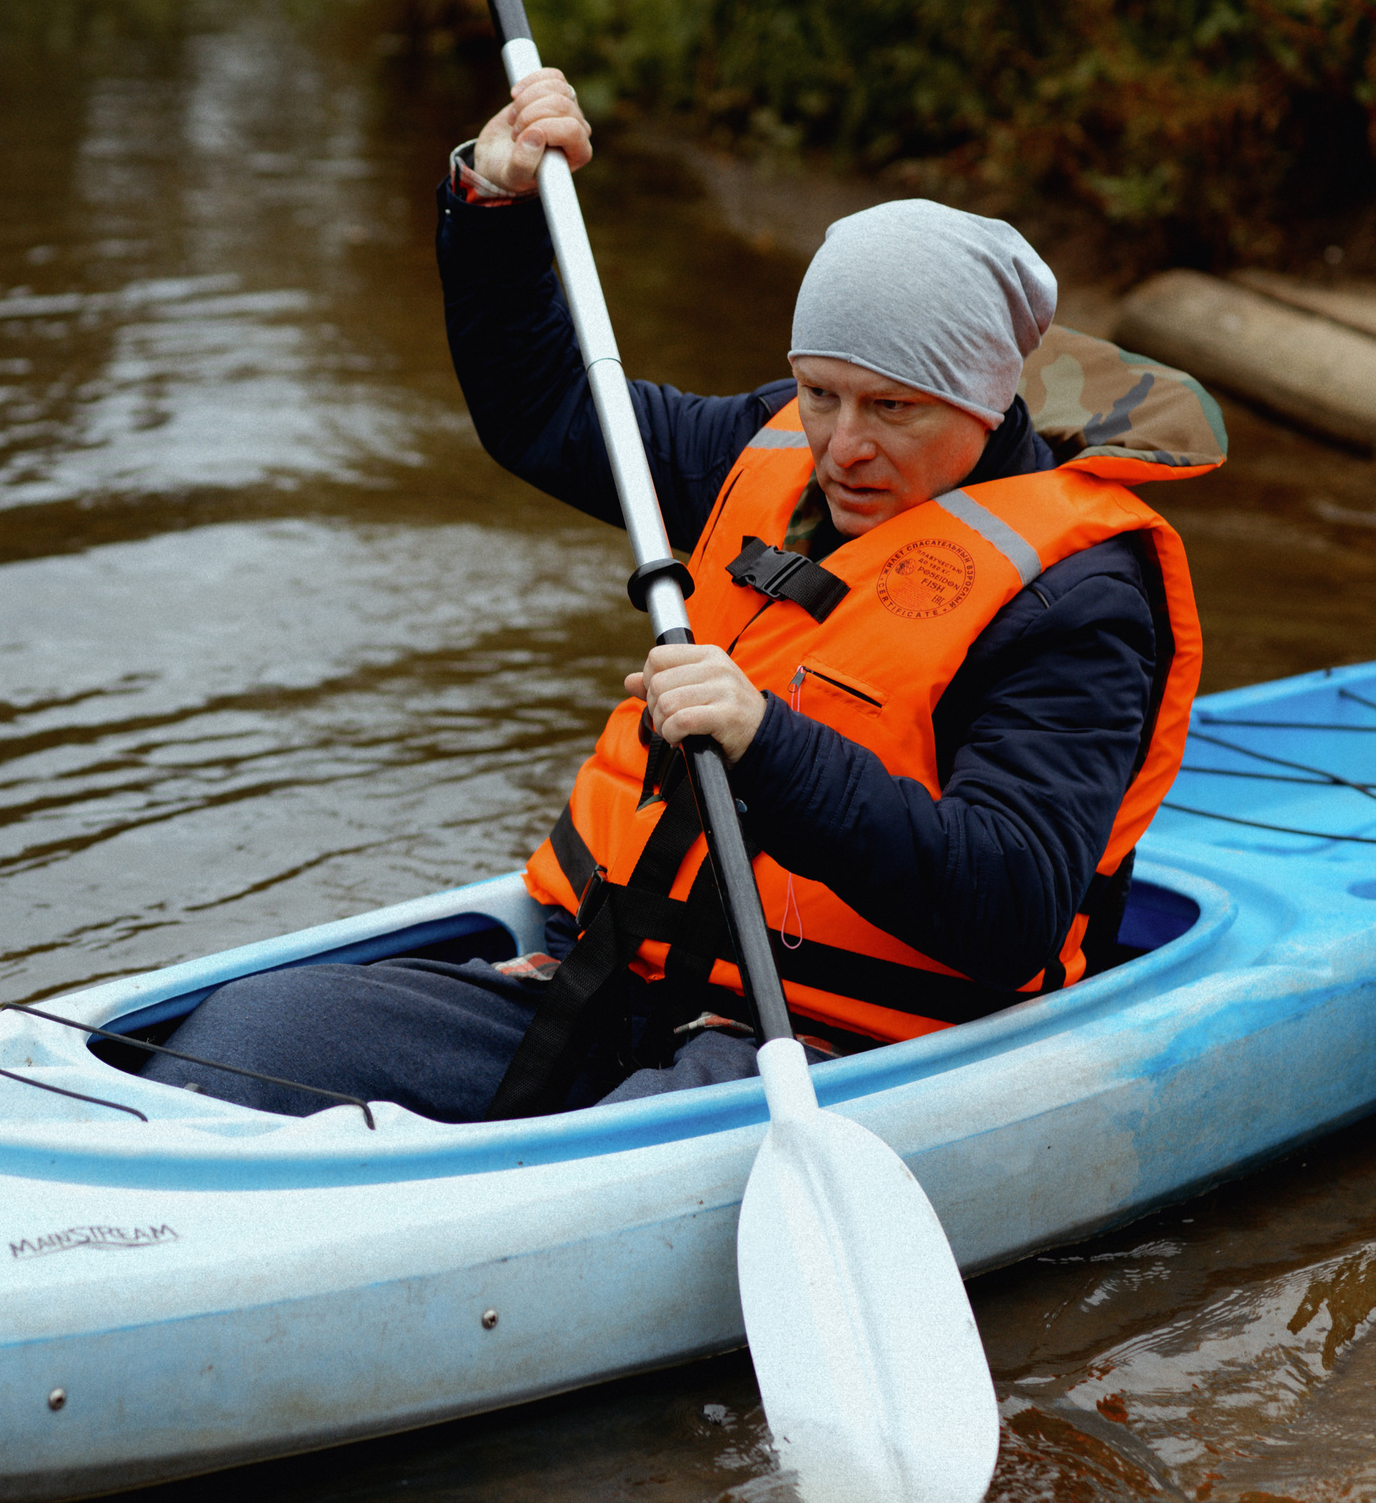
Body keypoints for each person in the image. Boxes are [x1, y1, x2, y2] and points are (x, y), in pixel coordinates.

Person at [138, 70, 1220, 1122]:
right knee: (245, 1038)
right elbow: (550, 413)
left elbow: (1008, 908)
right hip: (607, 981)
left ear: (984, 401)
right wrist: (498, 206)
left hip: (837, 1047)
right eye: (819, 392)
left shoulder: (1076, 598)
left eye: (891, 408)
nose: (842, 446)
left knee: (593, 1156)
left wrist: (767, 742)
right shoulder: (770, 449)